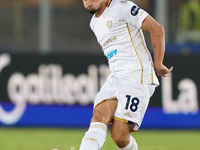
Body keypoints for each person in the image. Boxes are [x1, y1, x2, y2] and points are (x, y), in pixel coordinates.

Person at [79, 0, 173, 150]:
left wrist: (158, 64)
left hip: (137, 76)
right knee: (98, 117)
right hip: (116, 77)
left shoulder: (122, 6)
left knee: (119, 135)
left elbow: (157, 28)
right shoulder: (93, 23)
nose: (88, 3)